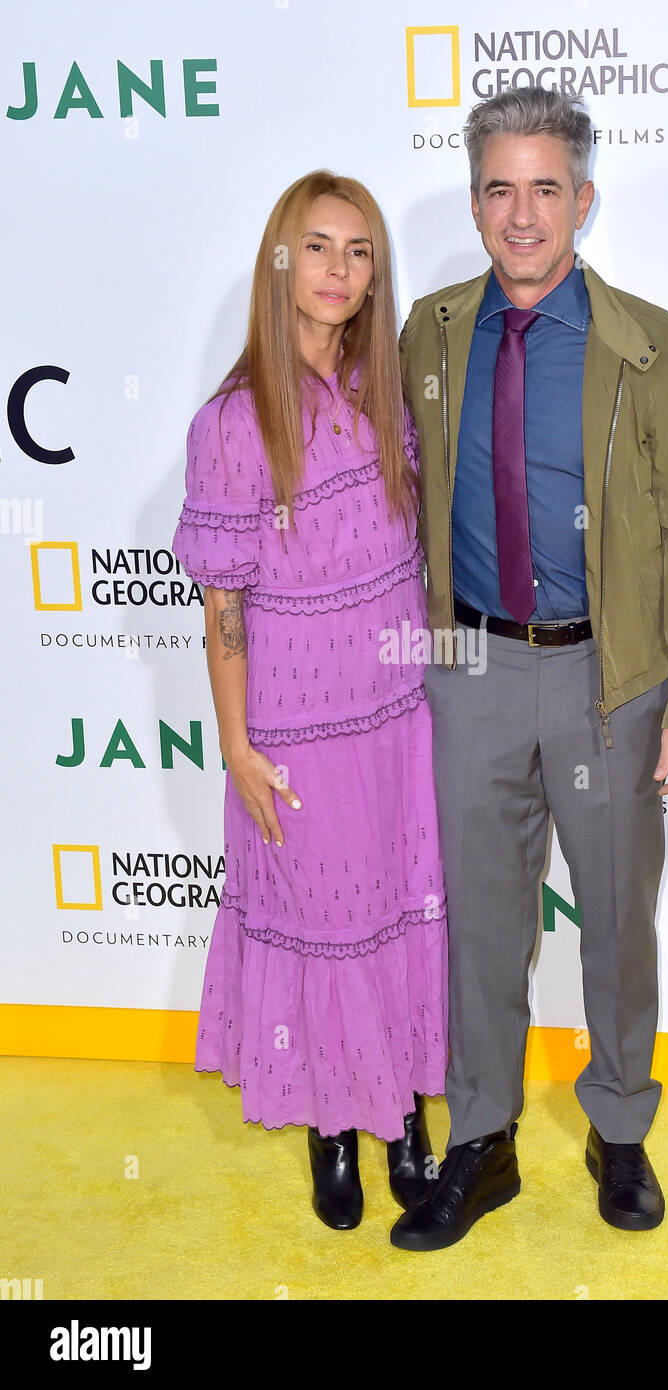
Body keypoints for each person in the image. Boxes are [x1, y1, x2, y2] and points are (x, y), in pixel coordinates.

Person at [390, 88, 668, 1252]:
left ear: (581, 200)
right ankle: (479, 1136)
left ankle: (619, 1130)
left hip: (612, 681)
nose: (522, 213)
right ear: (475, 199)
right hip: (471, 670)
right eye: (499, 187)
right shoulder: (430, 333)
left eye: (546, 187)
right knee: (481, 923)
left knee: (615, 923)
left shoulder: (653, 347)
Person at [171, 170, 448, 1232]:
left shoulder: (390, 397)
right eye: (317, 246)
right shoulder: (233, 424)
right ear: (280, 264)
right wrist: (236, 743)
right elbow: (223, 607)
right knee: (327, 927)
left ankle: (409, 1114)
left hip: (404, 717)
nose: (338, 269)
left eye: (359, 250)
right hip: (299, 738)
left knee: (405, 918)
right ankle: (334, 1127)